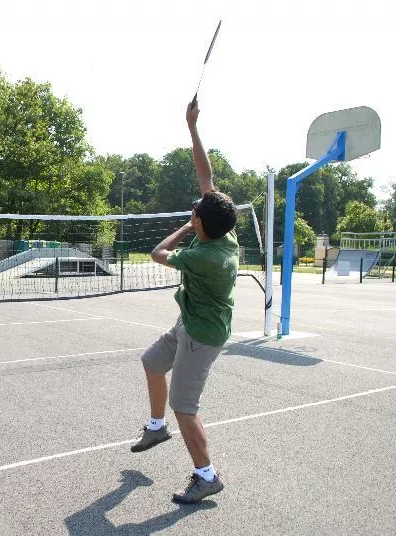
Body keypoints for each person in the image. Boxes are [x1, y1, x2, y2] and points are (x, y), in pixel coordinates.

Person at [130, 100, 239, 504]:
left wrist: (183, 227)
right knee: (152, 362)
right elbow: (205, 175)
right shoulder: (223, 231)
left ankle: (206, 475)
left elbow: (157, 253)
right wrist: (192, 127)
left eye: (195, 212)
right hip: (188, 322)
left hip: (203, 334)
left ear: (200, 224)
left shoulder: (203, 257)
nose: (195, 206)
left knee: (185, 406)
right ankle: (155, 427)